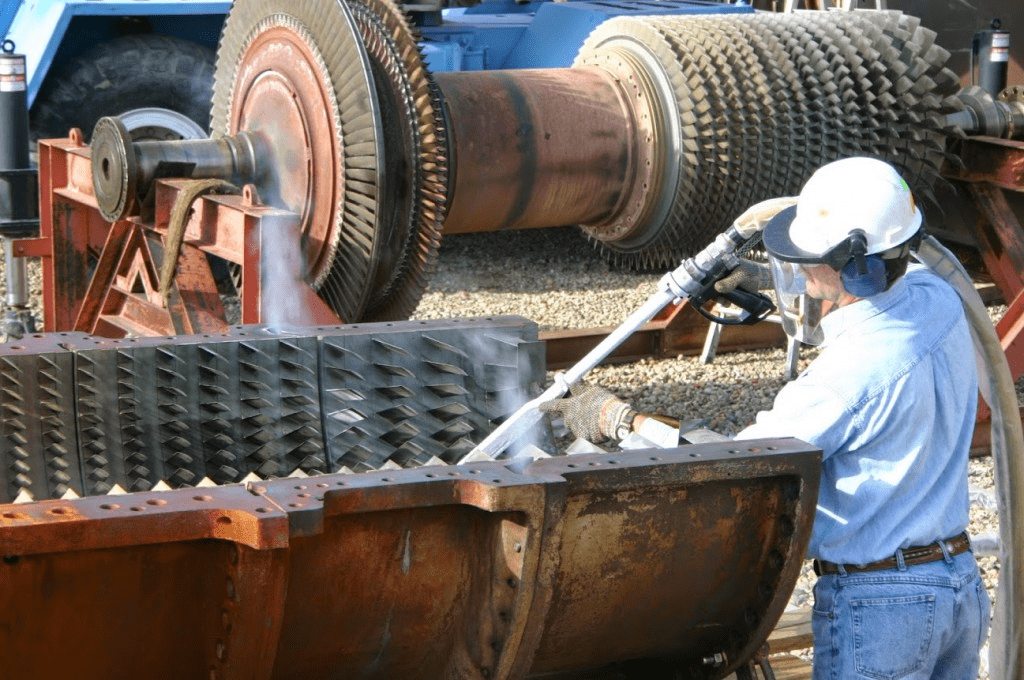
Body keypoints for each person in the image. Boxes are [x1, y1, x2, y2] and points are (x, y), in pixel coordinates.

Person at [543, 156, 991, 679]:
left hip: (883, 603)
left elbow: (740, 462)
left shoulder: (845, 377)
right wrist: (760, 277)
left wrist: (620, 418)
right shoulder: (938, 298)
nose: (795, 272)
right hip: (958, 585)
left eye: (804, 261)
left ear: (847, 264)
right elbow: (871, 299)